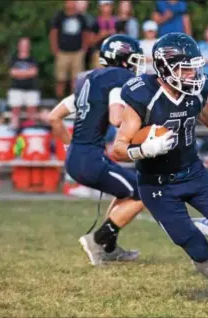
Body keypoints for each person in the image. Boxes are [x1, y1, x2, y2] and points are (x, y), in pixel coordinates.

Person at [112, 33, 208, 309]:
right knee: (195, 247)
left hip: (193, 172)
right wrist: (144, 150)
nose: (193, 73)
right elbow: (117, 148)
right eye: (185, 67)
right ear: (164, 67)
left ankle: (200, 225)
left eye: (194, 66)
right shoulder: (143, 94)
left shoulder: (196, 90)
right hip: (157, 184)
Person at [48, 35, 147, 265]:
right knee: (143, 193)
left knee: (127, 191)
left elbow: (54, 117)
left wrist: (69, 147)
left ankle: (109, 247)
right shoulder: (117, 78)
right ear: (122, 58)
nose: (135, 65)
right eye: (133, 59)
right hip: (91, 159)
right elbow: (115, 118)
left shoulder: (88, 80)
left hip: (77, 157)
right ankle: (97, 241)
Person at [49, 0, 90, 98]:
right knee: (60, 79)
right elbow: (53, 32)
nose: (71, 3)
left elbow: (86, 33)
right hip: (62, 52)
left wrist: (84, 48)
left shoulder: (81, 17)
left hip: (77, 53)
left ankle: (74, 103)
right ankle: (59, 102)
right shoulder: (59, 16)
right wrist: (55, 48)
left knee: (76, 80)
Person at [8, 37, 40, 129]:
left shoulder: (33, 59)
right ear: (19, 46)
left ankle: (31, 129)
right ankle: (14, 129)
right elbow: (12, 73)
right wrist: (27, 73)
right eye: (23, 45)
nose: (24, 47)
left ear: (29, 47)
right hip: (16, 88)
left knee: (32, 110)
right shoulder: (13, 59)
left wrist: (20, 73)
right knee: (15, 109)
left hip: (31, 88)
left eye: (26, 45)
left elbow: (34, 72)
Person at [91, 0, 116, 69]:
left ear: (112, 7)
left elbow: (123, 39)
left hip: (114, 53)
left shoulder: (117, 21)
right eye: (105, 5)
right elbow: (91, 42)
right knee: (100, 76)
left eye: (108, 5)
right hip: (99, 53)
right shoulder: (95, 22)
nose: (107, 8)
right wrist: (100, 35)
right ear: (100, 7)